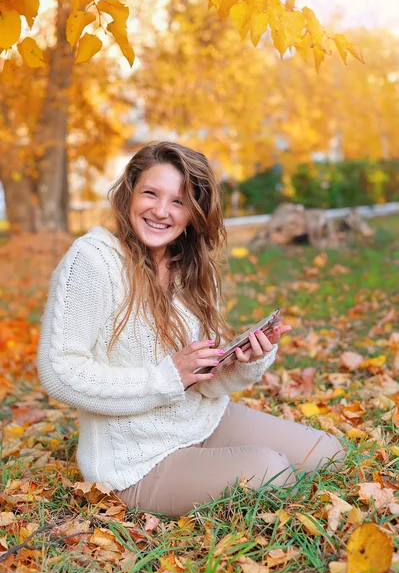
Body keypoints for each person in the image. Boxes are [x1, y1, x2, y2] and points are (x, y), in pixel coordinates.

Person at [37, 141, 345, 519]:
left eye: (179, 201)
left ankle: (210, 464)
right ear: (128, 192)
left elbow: (202, 381)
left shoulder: (195, 269)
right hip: (138, 461)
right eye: (151, 193)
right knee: (272, 472)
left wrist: (244, 361)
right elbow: (60, 373)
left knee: (329, 454)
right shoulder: (93, 260)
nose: (161, 211)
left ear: (194, 212)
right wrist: (167, 378)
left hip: (202, 421)